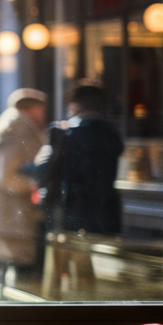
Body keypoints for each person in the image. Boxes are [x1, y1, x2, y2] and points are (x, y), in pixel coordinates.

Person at [36, 83, 124, 235]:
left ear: (74, 105)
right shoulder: (112, 134)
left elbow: (41, 172)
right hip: (106, 212)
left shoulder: (66, 134)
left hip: (71, 211)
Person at [0, 88, 47, 283]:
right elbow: (6, 175)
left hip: (12, 214)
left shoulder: (12, 125)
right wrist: (33, 188)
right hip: (15, 214)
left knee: (17, 271)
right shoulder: (17, 128)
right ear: (33, 108)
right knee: (22, 273)